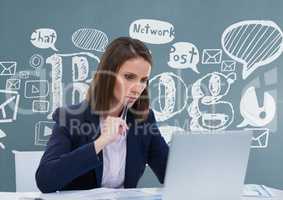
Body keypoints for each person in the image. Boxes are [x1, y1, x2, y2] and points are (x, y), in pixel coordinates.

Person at [35, 37, 169, 193]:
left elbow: (170, 174)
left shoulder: (144, 119)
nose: (137, 88)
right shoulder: (70, 117)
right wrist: (101, 142)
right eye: (129, 77)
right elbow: (45, 180)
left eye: (143, 80)